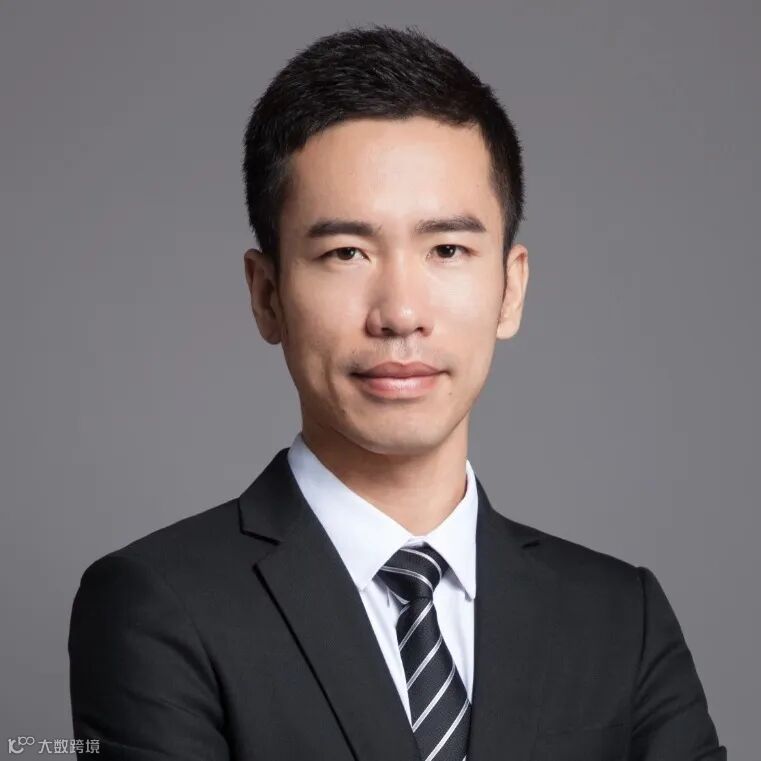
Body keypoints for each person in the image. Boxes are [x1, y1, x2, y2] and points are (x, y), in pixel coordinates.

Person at [68, 24, 726, 761]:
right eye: (346, 252)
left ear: (510, 289)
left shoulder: (621, 617)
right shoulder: (158, 606)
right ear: (267, 294)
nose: (400, 313)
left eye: (447, 249)